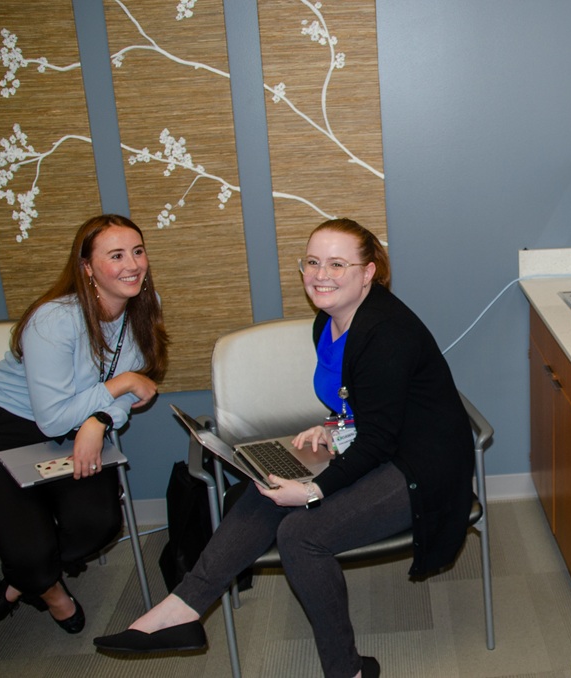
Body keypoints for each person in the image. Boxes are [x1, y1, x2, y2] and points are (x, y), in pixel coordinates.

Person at [94, 218, 475, 678]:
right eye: (312, 262)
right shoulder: (329, 322)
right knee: (269, 483)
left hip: (421, 465)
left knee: (301, 535)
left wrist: (313, 492)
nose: (321, 275)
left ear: (369, 272)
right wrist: (336, 425)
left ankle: (346, 671)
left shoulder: (385, 332)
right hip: (379, 441)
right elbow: (368, 403)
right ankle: (183, 608)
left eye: (338, 264)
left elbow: (383, 437)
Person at [0, 214, 168, 633]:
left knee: (98, 525)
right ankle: (49, 590)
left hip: (75, 427)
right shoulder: (55, 319)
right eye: (115, 255)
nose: (132, 265)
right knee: (29, 551)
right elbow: (53, 417)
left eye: (137, 251)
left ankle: (18, 583)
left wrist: (99, 418)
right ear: (87, 267)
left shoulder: (141, 309)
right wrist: (120, 387)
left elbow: (124, 396)